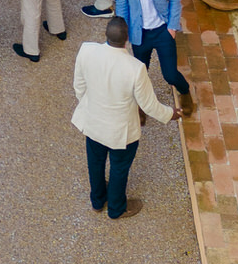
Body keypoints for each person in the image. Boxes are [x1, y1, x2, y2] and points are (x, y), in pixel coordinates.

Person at [71, 17, 180, 220]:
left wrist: (90, 106)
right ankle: (116, 208)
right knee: (119, 168)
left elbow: (79, 86)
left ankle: (97, 200)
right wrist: (170, 114)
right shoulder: (135, 68)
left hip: (93, 124)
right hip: (121, 132)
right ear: (127, 38)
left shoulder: (86, 51)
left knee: (95, 162)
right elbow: (148, 105)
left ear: (106, 33)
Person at [114, 0, 193, 114]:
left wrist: (172, 27)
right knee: (139, 75)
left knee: (170, 74)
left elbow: (174, 0)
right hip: (139, 34)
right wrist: (123, 32)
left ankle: (185, 91)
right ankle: (142, 106)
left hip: (162, 30)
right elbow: (122, 6)